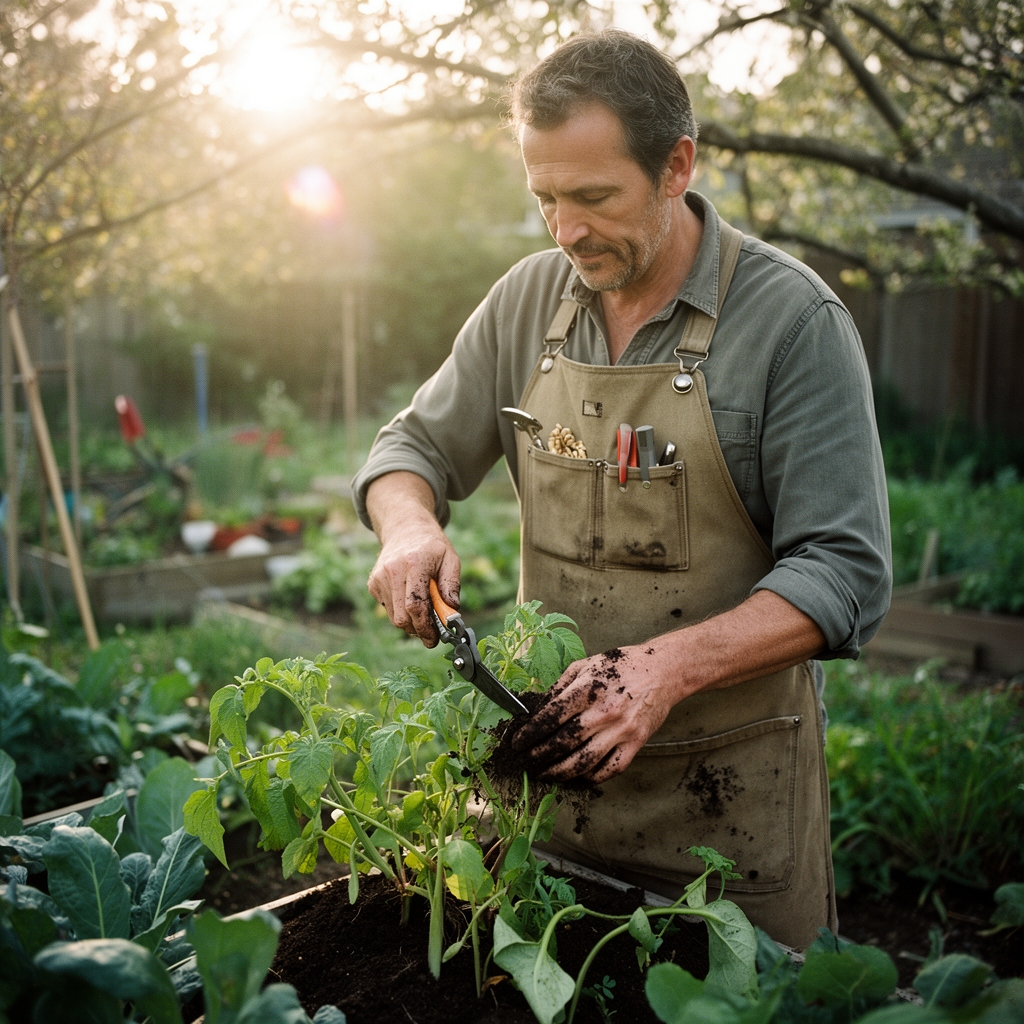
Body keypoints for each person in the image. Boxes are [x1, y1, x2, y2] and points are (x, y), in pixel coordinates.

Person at [352, 29, 891, 949]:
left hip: (725, 823)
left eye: (594, 197)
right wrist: (405, 528)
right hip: (550, 798)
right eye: (545, 199)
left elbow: (846, 573)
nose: (566, 231)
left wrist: (666, 668)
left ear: (675, 166)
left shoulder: (794, 323)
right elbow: (412, 447)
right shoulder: (527, 300)